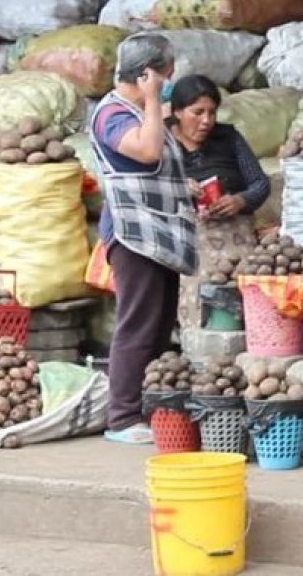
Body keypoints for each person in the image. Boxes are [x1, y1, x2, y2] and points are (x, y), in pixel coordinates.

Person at [91, 34, 198, 445]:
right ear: (146, 74)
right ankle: (121, 416)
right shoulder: (113, 115)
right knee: (136, 324)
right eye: (166, 76)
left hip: (158, 234)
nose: (170, 82)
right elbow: (149, 151)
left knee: (156, 324)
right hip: (133, 237)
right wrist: (155, 99)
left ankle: (146, 405)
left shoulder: (134, 111)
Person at [166, 74, 271, 330]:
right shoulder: (161, 142)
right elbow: (145, 189)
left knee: (244, 296)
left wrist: (240, 200)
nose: (206, 121)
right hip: (189, 243)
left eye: (212, 113)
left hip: (237, 239)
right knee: (199, 305)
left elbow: (260, 183)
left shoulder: (228, 137)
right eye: (197, 112)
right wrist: (177, 187)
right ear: (178, 112)